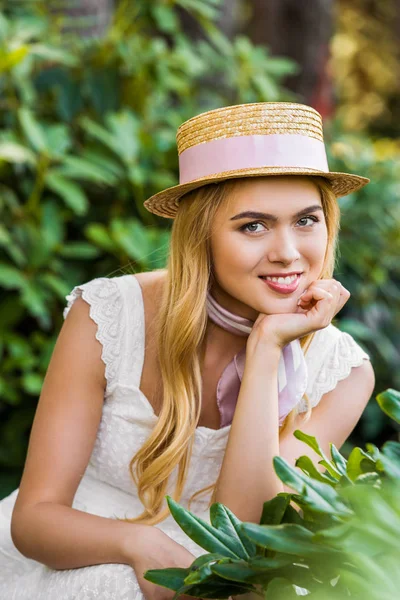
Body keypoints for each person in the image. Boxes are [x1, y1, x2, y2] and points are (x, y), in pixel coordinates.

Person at [0, 102, 375, 600]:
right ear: (202, 236)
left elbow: (240, 537)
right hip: (76, 557)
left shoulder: (344, 372)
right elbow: (35, 522)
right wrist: (137, 542)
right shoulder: (109, 315)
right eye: (253, 226)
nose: (288, 252)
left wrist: (266, 347)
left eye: (306, 220)